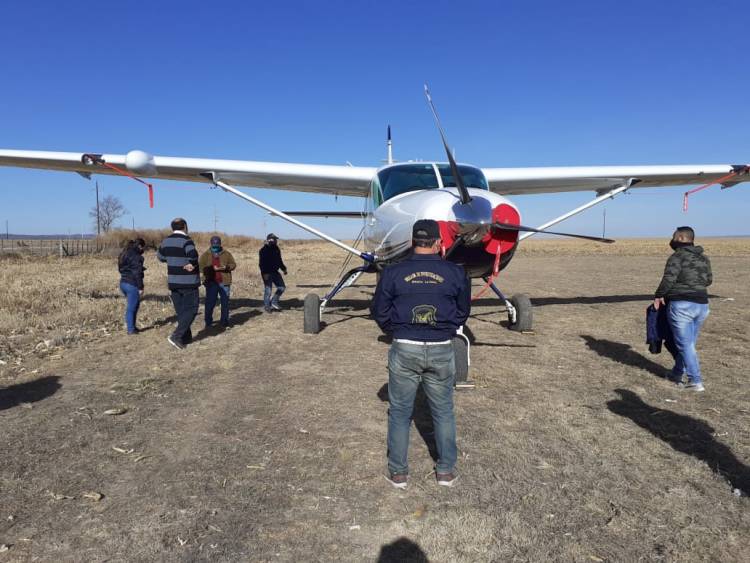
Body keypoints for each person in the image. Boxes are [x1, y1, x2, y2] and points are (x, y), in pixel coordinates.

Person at [370, 219, 471, 489]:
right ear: (439, 242)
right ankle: (446, 471)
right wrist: (447, 329)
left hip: (404, 347)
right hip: (441, 348)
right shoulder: (456, 272)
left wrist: (397, 329)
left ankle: (398, 473)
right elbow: (463, 311)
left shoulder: (392, 272)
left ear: (413, 241)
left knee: (400, 412)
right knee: (444, 411)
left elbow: (379, 310)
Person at [654, 226, 712, 392]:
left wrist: (659, 295)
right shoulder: (704, 258)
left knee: (685, 345)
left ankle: (695, 381)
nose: (671, 239)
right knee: (688, 343)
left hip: (681, 306)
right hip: (702, 305)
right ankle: (677, 372)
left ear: (680, 238)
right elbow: (708, 280)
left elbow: (668, 280)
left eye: (673, 236)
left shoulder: (676, 257)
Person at [157, 218, 200, 350]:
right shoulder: (187, 241)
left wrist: (172, 260)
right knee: (192, 309)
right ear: (185, 227)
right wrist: (191, 264)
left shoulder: (165, 241)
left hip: (173, 281)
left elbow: (160, 257)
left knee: (182, 311)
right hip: (188, 281)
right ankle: (176, 336)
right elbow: (193, 255)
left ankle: (185, 337)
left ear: (172, 227)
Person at [199, 235, 237, 328]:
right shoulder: (205, 255)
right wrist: (211, 269)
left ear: (220, 244)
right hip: (211, 283)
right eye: (214, 245)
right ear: (211, 244)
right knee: (210, 303)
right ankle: (208, 322)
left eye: (217, 245)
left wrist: (226, 267)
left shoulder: (227, 254)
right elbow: (200, 268)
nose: (215, 247)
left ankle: (224, 321)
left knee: (225, 303)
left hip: (224, 282)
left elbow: (233, 264)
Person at [118, 237, 146, 335]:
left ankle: (133, 327)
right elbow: (137, 273)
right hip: (132, 284)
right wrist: (140, 287)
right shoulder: (136, 256)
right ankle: (130, 329)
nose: (143, 250)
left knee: (134, 305)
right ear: (139, 246)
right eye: (143, 247)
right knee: (132, 307)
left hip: (123, 282)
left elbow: (122, 269)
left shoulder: (124, 253)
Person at [259, 233, 287, 312]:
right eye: (274, 239)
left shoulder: (277, 249)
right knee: (268, 290)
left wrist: (284, 269)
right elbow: (261, 264)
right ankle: (267, 306)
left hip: (275, 272)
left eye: (276, 240)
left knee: (282, 287)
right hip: (267, 273)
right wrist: (264, 273)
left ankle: (274, 302)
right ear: (269, 240)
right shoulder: (263, 250)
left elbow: (279, 260)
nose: (276, 241)